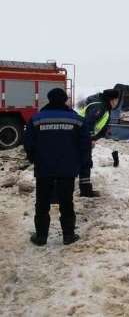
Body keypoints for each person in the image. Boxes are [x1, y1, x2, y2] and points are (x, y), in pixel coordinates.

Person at [24, 88, 91, 246]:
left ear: (49, 99)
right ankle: (68, 236)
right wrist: (79, 163)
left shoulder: (36, 119)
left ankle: (41, 237)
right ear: (65, 100)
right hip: (67, 169)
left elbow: (28, 143)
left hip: (44, 168)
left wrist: (35, 159)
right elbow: (85, 145)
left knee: (42, 203)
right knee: (66, 202)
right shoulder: (78, 120)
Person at [78, 89, 120, 197]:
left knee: (85, 162)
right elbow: (89, 123)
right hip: (80, 136)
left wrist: (97, 136)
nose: (117, 103)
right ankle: (85, 190)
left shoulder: (103, 105)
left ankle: (84, 188)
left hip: (80, 136)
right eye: (116, 100)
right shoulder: (99, 106)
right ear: (112, 100)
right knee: (85, 162)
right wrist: (91, 138)